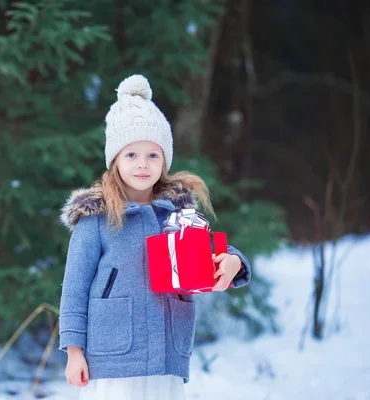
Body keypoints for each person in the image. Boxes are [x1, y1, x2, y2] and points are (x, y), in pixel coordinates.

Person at [58, 74, 251, 400]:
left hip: (166, 352)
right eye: (131, 155)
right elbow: (74, 288)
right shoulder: (96, 219)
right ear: (115, 160)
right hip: (113, 356)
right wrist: (74, 350)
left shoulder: (178, 213)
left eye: (153, 155)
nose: (143, 164)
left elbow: (211, 252)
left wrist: (233, 262)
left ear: (165, 160)